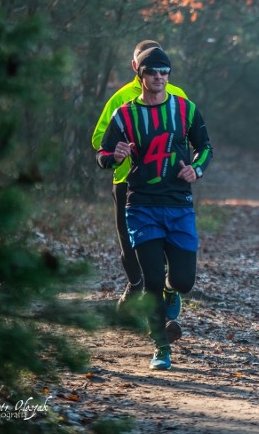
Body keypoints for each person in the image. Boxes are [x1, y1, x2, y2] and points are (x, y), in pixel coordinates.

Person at [96, 46, 212, 370]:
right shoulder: (125, 114)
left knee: (183, 281)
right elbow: (102, 155)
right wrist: (114, 156)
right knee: (151, 279)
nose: (159, 78)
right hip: (142, 205)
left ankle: (174, 294)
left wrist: (197, 169)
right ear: (141, 75)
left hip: (178, 205)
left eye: (164, 72)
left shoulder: (185, 109)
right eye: (152, 72)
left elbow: (205, 147)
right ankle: (161, 346)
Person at [91, 40, 188, 310]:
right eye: (144, 65)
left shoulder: (177, 94)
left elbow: (190, 134)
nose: (156, 74)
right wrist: (119, 149)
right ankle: (135, 285)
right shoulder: (121, 98)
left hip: (168, 183)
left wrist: (185, 164)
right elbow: (100, 139)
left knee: (167, 241)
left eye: (161, 68)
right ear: (136, 66)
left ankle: (164, 291)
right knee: (129, 242)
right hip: (127, 182)